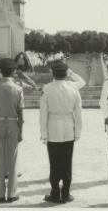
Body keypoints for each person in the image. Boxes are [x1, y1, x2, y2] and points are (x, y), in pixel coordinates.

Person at [40, 60, 82, 203]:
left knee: (54, 163)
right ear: (66, 74)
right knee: (67, 163)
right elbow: (78, 113)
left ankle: (55, 192)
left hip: (53, 129)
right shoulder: (73, 89)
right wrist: (77, 132)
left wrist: (44, 133)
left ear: (53, 73)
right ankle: (66, 193)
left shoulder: (47, 89)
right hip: (68, 129)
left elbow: (43, 114)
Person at [0, 58, 24, 203]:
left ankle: (0, 194)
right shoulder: (18, 88)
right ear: (13, 71)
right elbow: (21, 113)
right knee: (13, 160)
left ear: (0, 71)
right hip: (13, 123)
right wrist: (21, 130)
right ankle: (13, 193)